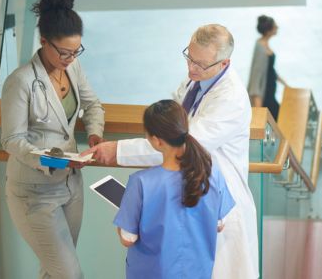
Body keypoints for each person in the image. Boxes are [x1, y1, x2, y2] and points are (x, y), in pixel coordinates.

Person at [83, 24, 259, 278]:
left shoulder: (231, 99)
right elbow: (174, 124)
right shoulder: (197, 79)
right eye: (190, 57)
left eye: (200, 65)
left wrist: (118, 151)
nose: (191, 68)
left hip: (211, 200)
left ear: (224, 63)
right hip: (193, 198)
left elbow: (179, 143)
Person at [0, 0, 105, 279]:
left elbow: (93, 105)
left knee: (54, 272)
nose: (70, 58)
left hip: (71, 188)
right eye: (64, 52)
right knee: (69, 275)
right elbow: (11, 140)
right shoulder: (20, 82)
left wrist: (95, 133)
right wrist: (55, 161)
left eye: (76, 51)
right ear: (44, 41)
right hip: (34, 193)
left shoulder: (73, 68)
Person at [114, 100, 235, 279]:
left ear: (156, 141)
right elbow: (219, 224)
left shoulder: (141, 183)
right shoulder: (212, 176)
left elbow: (128, 238)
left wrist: (123, 217)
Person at [247, 15, 289, 121]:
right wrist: (258, 109)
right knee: (278, 120)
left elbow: (270, 69)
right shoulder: (261, 50)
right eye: (275, 26)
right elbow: (256, 78)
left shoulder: (262, 43)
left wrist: (283, 82)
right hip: (265, 96)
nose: (278, 27)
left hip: (270, 93)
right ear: (269, 31)